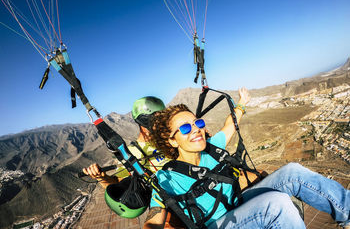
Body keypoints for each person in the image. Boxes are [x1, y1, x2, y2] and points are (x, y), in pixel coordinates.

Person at [144, 88, 350, 229]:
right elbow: (154, 220)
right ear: (172, 141)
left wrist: (242, 103)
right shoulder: (166, 179)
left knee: (292, 173)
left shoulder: (211, 148)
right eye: (185, 128)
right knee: (275, 204)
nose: (196, 130)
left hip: (239, 203)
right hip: (219, 224)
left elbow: (229, 125)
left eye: (197, 123)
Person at [82, 96, 170, 188]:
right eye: (157, 118)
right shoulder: (129, 153)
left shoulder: (169, 140)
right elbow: (119, 183)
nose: (162, 122)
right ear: (144, 120)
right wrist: (102, 178)